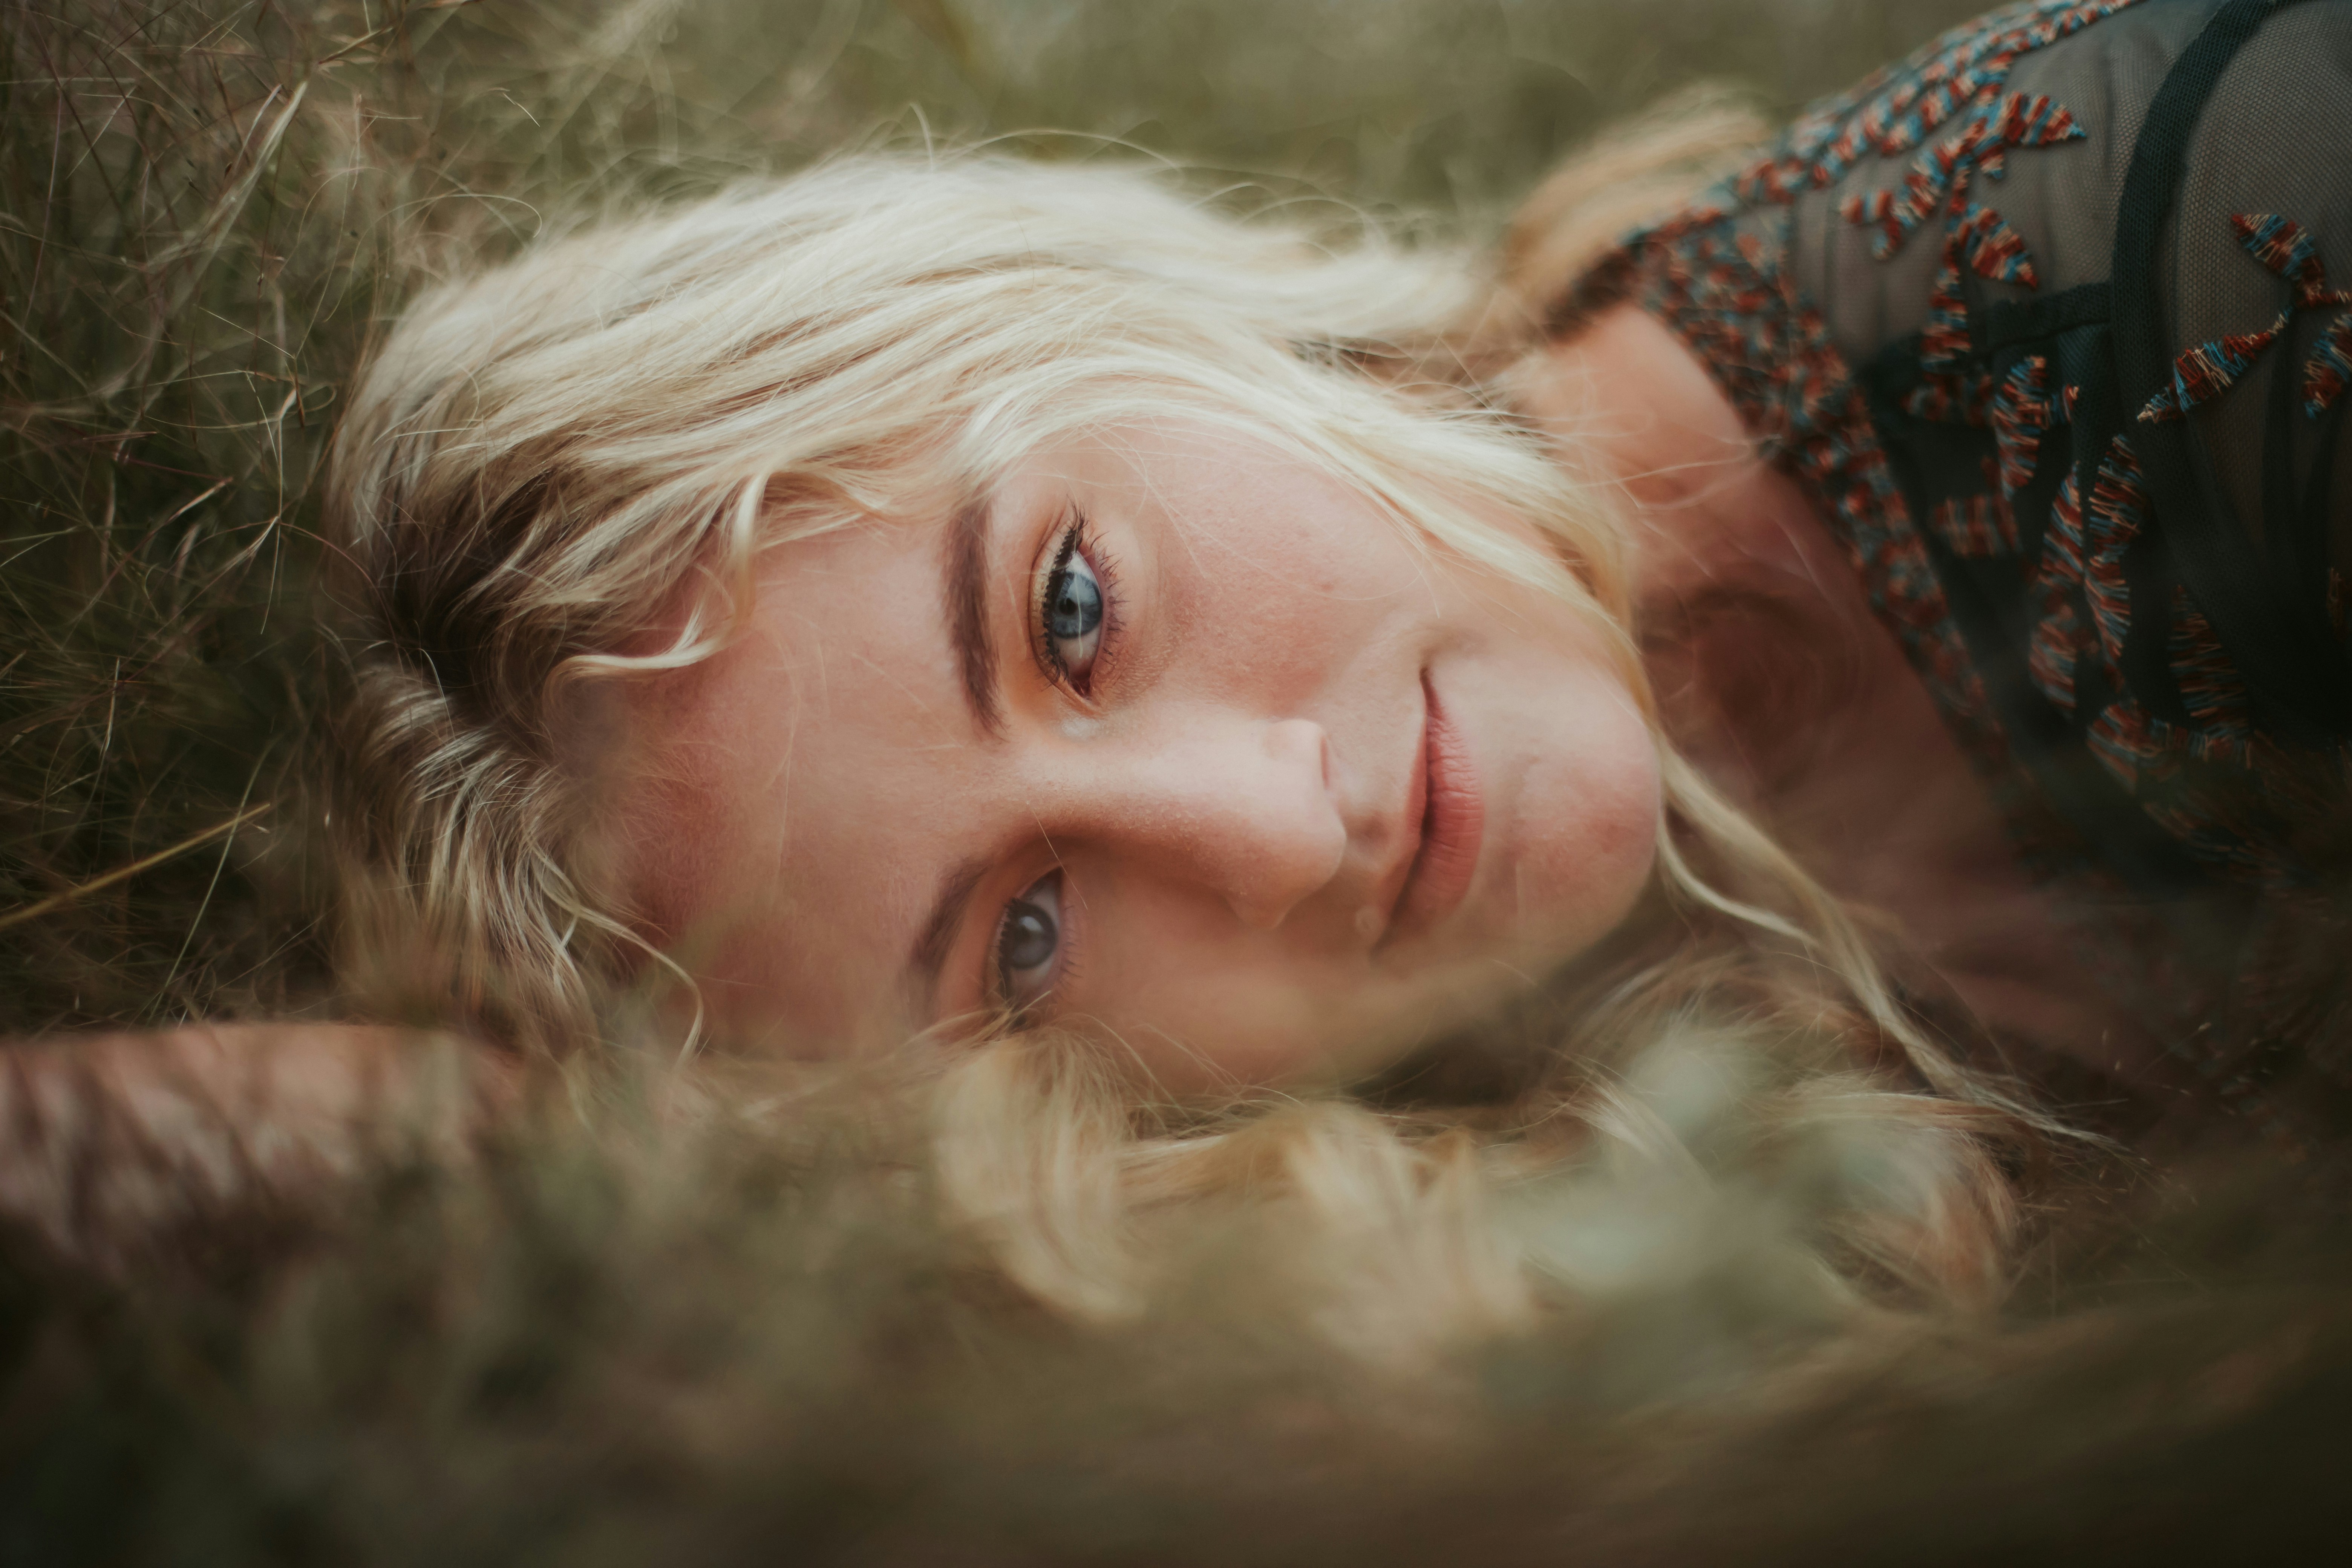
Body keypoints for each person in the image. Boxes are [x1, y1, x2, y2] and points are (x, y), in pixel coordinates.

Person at [10, 0, 2348, 1346]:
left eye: (1070, 615)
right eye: (1026, 943)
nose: (1265, 831)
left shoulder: (2209, 268)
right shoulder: (1567, 1095)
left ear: (1108, 334)